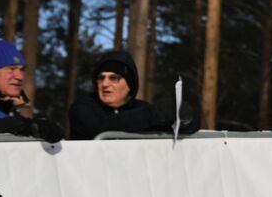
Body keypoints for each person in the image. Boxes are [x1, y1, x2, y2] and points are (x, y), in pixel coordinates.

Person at [67, 50, 195, 140]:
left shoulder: (141, 108)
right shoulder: (83, 108)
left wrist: (183, 117)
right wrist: (155, 114)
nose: (105, 84)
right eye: (100, 78)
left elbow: (187, 131)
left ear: (130, 84)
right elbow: (99, 128)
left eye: (114, 78)